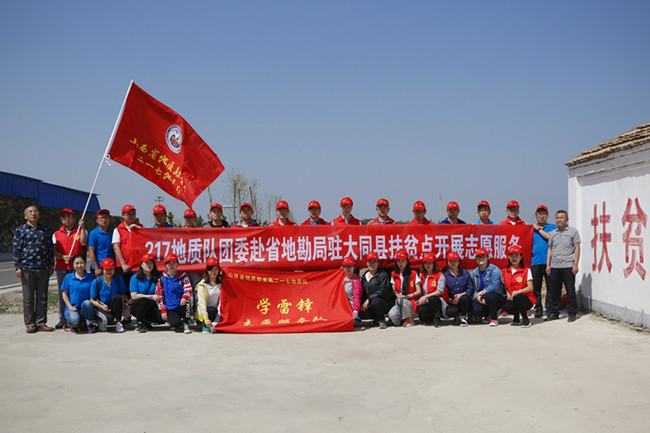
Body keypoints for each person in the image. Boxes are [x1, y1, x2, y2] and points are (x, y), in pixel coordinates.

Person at [12, 205, 54, 333]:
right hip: (27, 268)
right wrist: (18, 267)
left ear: (39, 215)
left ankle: (41, 323)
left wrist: (51, 264)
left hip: (43, 268)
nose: (33, 214)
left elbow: (50, 248)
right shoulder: (20, 230)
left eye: (35, 211)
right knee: (28, 298)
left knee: (42, 297)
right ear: (25, 216)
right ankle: (30, 324)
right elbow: (16, 249)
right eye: (30, 212)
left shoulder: (45, 230)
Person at [52, 208, 88, 329]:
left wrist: (82, 228)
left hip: (77, 268)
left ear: (74, 218)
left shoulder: (81, 231)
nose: (66, 219)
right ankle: (62, 319)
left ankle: (81, 317)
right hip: (62, 267)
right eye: (64, 217)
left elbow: (83, 243)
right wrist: (62, 257)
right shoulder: (56, 234)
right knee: (63, 293)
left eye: (69, 216)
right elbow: (53, 251)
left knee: (80, 291)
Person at [545, 210, 581, 322]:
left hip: (568, 265)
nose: (559, 220)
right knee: (555, 291)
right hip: (555, 266)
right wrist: (548, 264)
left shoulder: (573, 231)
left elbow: (577, 248)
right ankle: (554, 313)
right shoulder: (553, 233)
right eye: (557, 218)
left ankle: (572, 313)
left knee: (570, 290)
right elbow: (550, 249)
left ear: (567, 219)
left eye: (562, 217)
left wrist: (575, 264)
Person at [156, 253, 193, 334]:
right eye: (169, 263)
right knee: (175, 323)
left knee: (187, 300)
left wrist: (184, 297)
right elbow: (159, 295)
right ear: (166, 265)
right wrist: (163, 310)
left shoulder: (183, 276)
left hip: (181, 305)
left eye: (174, 263)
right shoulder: (162, 278)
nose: (172, 265)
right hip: (170, 307)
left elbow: (188, 290)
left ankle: (186, 323)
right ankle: (177, 322)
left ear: (177, 264)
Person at [90, 258, 128, 332]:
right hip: (102, 307)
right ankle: (101, 322)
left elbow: (122, 293)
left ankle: (118, 323)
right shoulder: (97, 282)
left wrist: (129, 302)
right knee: (108, 319)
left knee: (118, 297)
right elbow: (92, 299)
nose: (109, 271)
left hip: (114, 306)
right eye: (106, 269)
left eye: (111, 269)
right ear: (102, 270)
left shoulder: (118, 279)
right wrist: (101, 306)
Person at [531, 205, 556, 318]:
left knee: (551, 287)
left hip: (549, 262)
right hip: (535, 261)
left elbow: (549, 237)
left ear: (547, 215)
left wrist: (538, 229)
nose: (541, 216)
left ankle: (549, 309)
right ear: (536, 215)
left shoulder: (552, 227)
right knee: (536, 287)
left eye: (544, 214)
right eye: (539, 214)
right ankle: (538, 308)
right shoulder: (531, 229)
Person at [60, 254, 96, 333]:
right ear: (73, 264)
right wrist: (70, 306)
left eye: (81, 263)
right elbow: (64, 293)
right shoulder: (68, 277)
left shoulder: (91, 277)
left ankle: (90, 324)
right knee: (74, 320)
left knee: (87, 303)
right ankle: (75, 325)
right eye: (76, 263)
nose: (79, 265)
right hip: (73, 308)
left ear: (85, 263)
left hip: (86, 308)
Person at [502, 245, 535, 328]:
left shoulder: (526, 270)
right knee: (507, 306)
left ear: (521, 257)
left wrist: (519, 291)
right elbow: (506, 285)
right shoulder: (505, 270)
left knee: (518, 297)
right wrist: (508, 293)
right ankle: (516, 316)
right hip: (512, 297)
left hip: (526, 298)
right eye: (511, 256)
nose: (514, 258)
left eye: (516, 256)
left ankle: (525, 319)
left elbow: (530, 287)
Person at [129, 254, 164, 333]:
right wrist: (151, 296)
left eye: (151, 263)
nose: (149, 265)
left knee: (161, 318)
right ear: (141, 265)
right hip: (138, 306)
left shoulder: (158, 277)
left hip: (153, 306)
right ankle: (139, 323)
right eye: (146, 263)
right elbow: (134, 296)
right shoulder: (135, 278)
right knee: (144, 301)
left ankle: (147, 321)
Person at [470, 248, 505, 326]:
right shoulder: (474, 272)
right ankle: (487, 314)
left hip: (495, 297)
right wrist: (477, 296)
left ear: (488, 258)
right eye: (478, 257)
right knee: (476, 309)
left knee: (489, 296)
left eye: (483, 256)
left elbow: (494, 286)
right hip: (481, 297)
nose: (481, 258)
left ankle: (494, 318)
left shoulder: (494, 269)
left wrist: (481, 293)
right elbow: (474, 289)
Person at [359, 252, 394, 329]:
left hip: (383, 303)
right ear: (367, 263)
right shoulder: (365, 276)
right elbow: (363, 292)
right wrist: (360, 303)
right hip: (370, 304)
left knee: (375, 302)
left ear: (378, 263)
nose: (372, 264)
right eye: (370, 262)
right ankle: (376, 319)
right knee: (359, 309)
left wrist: (369, 299)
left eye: (374, 262)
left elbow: (383, 290)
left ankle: (382, 319)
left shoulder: (382, 274)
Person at [388, 249, 421, 327]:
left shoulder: (413, 273)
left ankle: (410, 319)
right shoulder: (393, 274)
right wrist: (397, 295)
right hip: (399, 302)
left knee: (401, 300)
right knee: (392, 314)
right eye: (399, 261)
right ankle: (404, 319)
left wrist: (408, 296)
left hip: (411, 301)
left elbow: (419, 291)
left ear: (407, 262)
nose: (401, 263)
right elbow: (393, 290)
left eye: (403, 261)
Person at [112, 204, 143, 277]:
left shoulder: (141, 227)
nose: (131, 216)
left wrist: (140, 230)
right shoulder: (118, 230)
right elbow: (116, 248)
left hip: (138, 265)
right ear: (123, 215)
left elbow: (147, 241)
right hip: (123, 265)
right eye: (129, 214)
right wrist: (123, 264)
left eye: (133, 214)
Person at [444, 251, 473, 326]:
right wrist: (449, 299)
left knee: (465, 299)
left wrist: (461, 295)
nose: (453, 263)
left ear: (459, 262)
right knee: (451, 311)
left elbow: (470, 288)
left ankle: (463, 317)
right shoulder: (445, 275)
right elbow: (444, 290)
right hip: (453, 301)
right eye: (450, 261)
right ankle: (456, 316)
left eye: (455, 261)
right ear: (447, 262)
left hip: (464, 299)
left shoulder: (465, 273)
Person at [417, 252, 446, 326]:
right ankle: (430, 318)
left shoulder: (440, 275)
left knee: (433, 299)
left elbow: (440, 291)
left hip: (437, 301)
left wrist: (426, 296)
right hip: (426, 301)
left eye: (430, 263)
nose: (428, 265)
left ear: (434, 264)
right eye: (426, 263)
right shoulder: (422, 275)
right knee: (421, 310)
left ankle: (437, 317)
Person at [194, 257, 222, 333]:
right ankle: (205, 324)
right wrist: (206, 319)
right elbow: (202, 304)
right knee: (212, 310)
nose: (213, 272)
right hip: (205, 312)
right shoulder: (202, 285)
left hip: (217, 311)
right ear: (207, 270)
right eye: (211, 269)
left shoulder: (221, 283)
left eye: (216, 269)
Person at [88, 209, 114, 277]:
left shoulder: (110, 234)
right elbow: (91, 251)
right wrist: (96, 268)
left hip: (109, 266)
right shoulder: (93, 233)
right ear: (97, 220)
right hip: (99, 267)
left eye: (106, 218)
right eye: (101, 218)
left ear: (109, 220)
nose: (104, 220)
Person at [341, 256, 363, 321]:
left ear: (354, 267)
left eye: (350, 266)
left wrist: (355, 310)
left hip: (352, 308)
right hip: (342, 307)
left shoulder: (356, 281)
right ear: (343, 268)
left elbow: (356, 297)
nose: (348, 268)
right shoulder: (342, 279)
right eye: (346, 266)